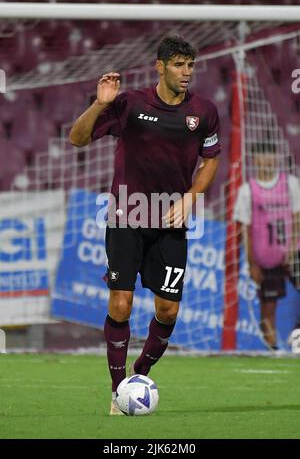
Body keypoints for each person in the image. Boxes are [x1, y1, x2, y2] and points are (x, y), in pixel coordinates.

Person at [69, 36, 221, 414]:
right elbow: (77, 139)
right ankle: (118, 389)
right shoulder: (131, 104)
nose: (186, 72)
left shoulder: (204, 111)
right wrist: (99, 105)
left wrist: (190, 197)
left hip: (171, 221)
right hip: (126, 215)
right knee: (120, 303)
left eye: (190, 65)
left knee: (168, 310)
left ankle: (140, 373)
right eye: (179, 65)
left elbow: (212, 159)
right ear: (160, 66)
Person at [234, 143, 300, 350]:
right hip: (266, 260)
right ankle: (276, 351)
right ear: (255, 160)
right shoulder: (247, 191)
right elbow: (245, 230)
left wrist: (292, 248)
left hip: (294, 254)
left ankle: (297, 334)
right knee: (268, 308)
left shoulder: (290, 183)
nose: (268, 160)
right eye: (263, 156)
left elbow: (297, 217)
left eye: (272, 156)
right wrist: (252, 263)